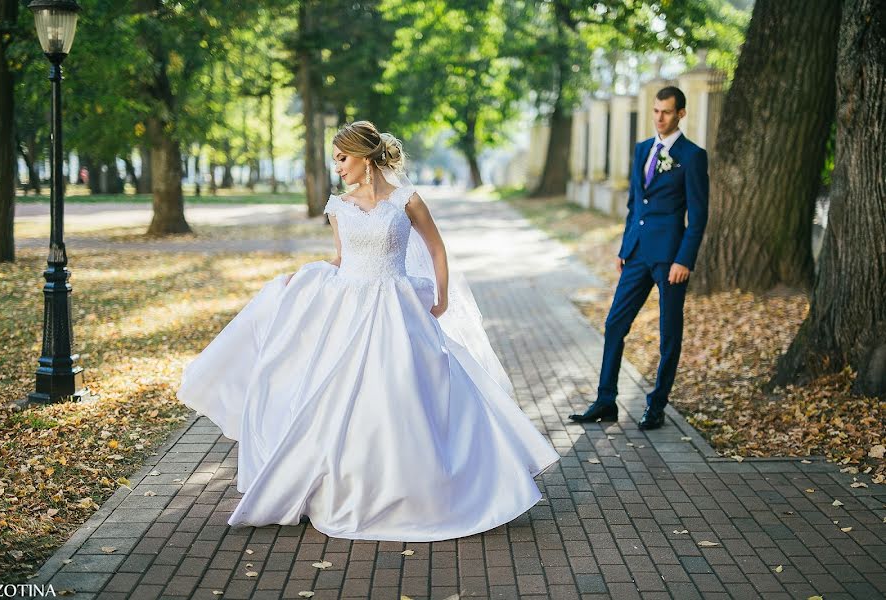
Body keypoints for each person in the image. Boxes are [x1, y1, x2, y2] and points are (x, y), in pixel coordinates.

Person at [177, 120, 559, 542]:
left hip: (398, 308)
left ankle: (430, 488)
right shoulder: (338, 206)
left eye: (342, 158)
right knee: (341, 393)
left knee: (406, 390)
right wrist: (301, 281)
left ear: (365, 157)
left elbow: (435, 247)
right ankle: (352, 483)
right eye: (336, 159)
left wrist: (443, 297)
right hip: (349, 308)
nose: (337, 166)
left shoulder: (407, 200)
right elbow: (342, 258)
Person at [569, 86, 709, 430]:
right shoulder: (643, 149)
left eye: (666, 112)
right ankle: (605, 400)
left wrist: (684, 259)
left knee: (668, 333)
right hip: (637, 254)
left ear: (681, 114)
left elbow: (699, 214)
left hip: (671, 258)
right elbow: (635, 204)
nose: (659, 117)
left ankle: (657, 405)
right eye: (656, 110)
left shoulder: (692, 156)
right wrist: (624, 247)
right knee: (615, 322)